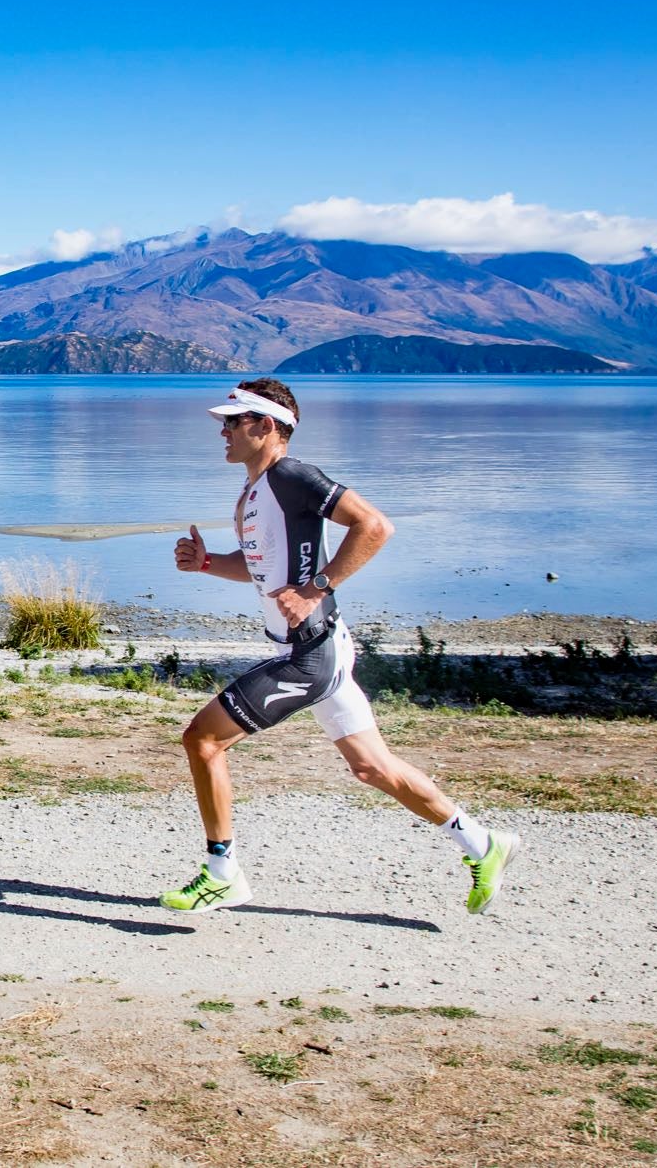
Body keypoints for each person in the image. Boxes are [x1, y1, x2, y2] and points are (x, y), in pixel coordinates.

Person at [161, 378, 520, 917]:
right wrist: (209, 563)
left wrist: (316, 588)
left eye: (233, 422)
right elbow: (262, 570)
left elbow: (373, 526)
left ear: (266, 425)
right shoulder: (256, 491)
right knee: (371, 768)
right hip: (319, 645)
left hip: (309, 654)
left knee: (204, 739)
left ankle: (222, 874)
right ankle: (482, 844)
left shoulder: (292, 476)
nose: (223, 431)